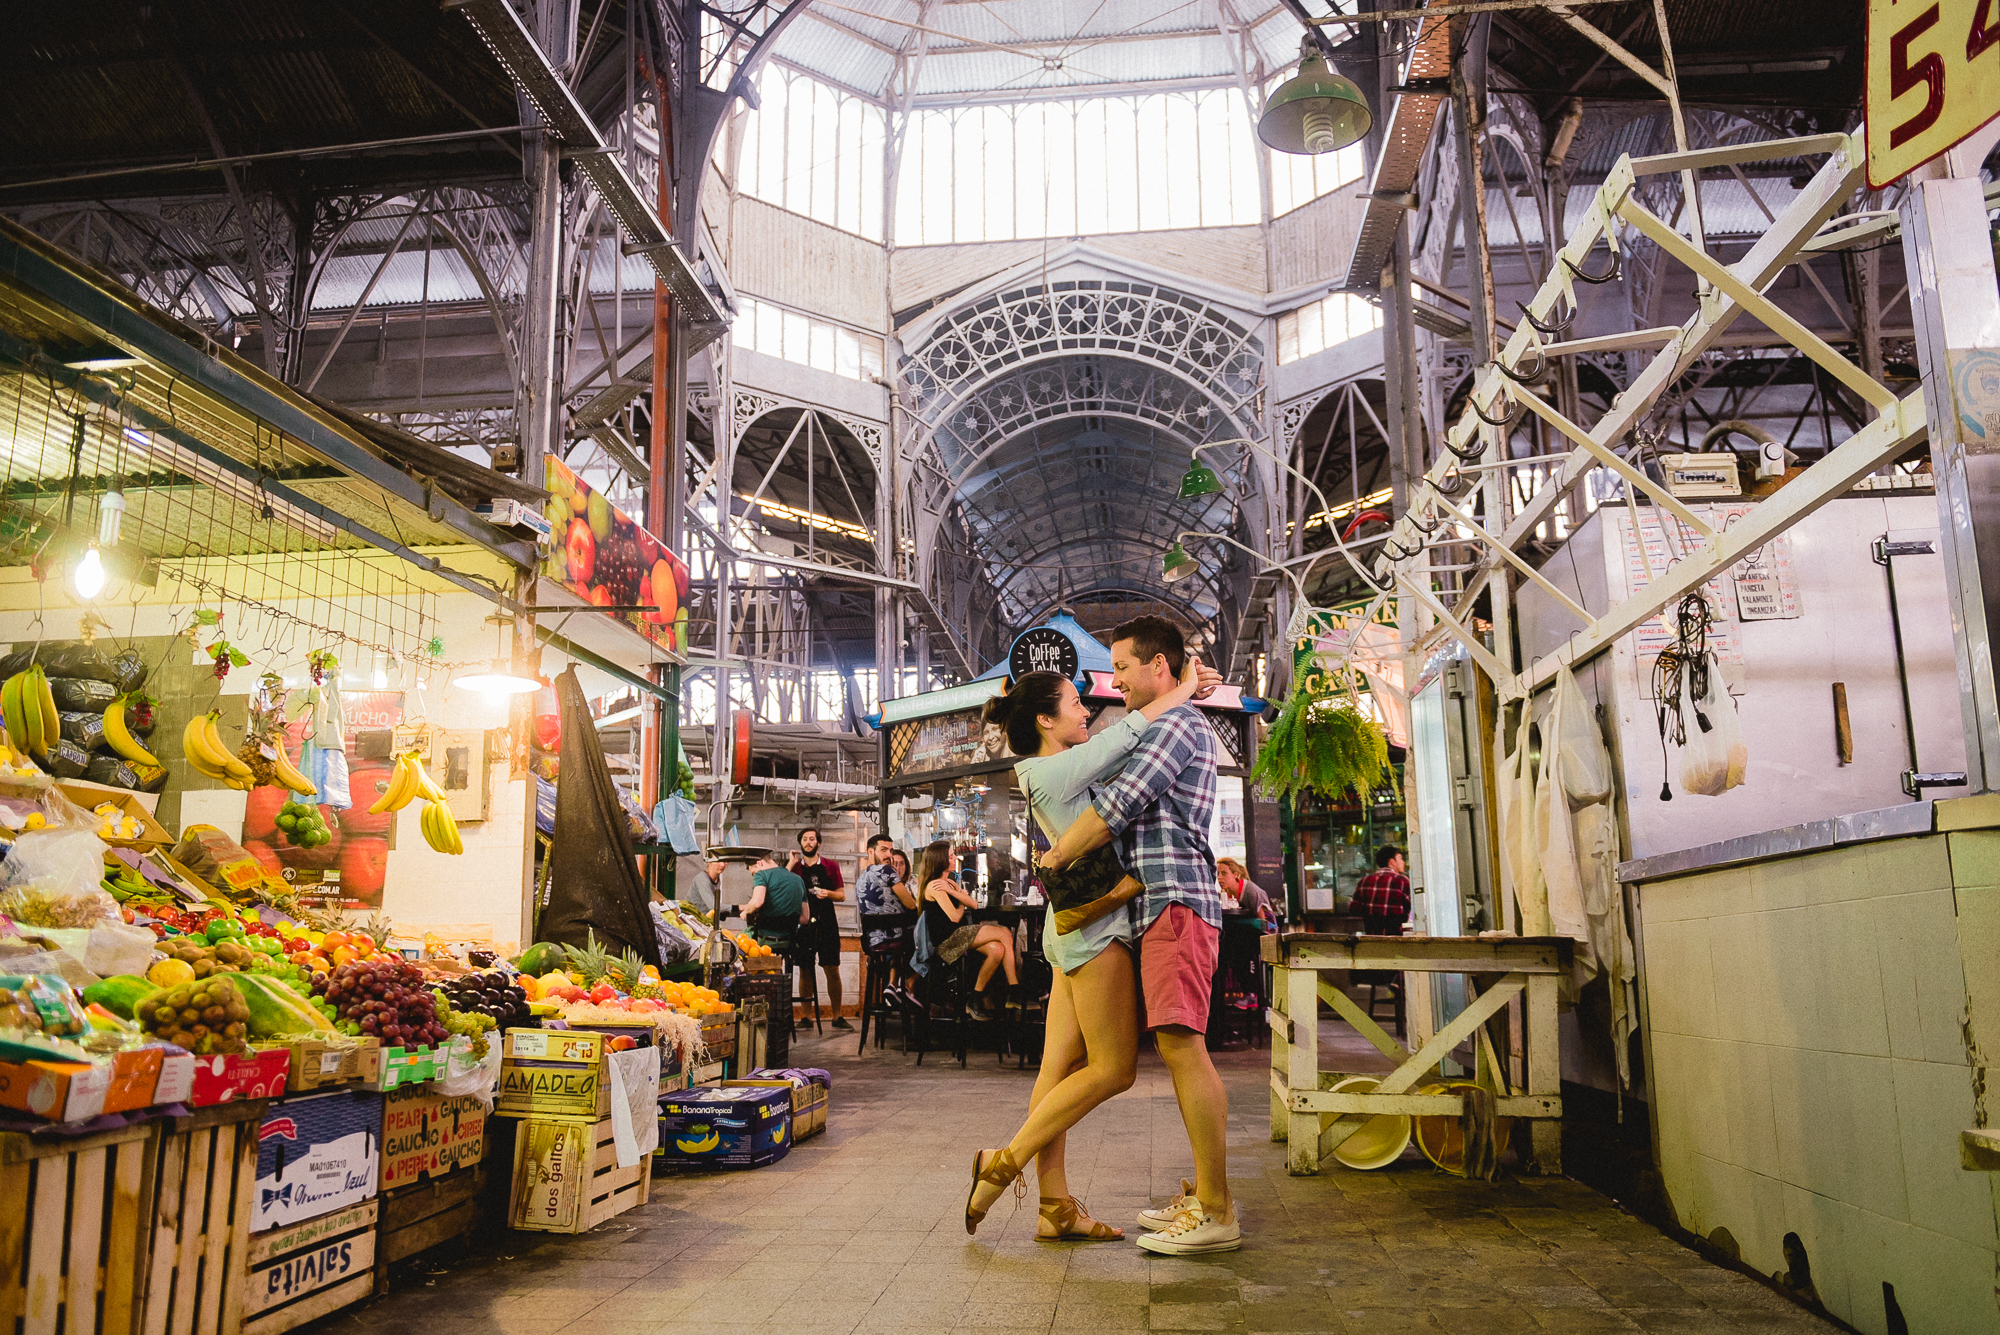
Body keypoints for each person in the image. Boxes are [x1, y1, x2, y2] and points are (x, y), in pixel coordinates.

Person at [961, 650, 1220, 1241]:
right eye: (1076, 704)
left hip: (1070, 929)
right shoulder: (1052, 770)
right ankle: (1003, 1161)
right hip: (1095, 932)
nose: (1088, 712)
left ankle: (1055, 1207)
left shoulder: (1059, 768)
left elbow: (1131, 741)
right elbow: (1127, 736)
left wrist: (1185, 688)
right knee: (1114, 1069)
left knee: (1058, 1068)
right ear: (1045, 720)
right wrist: (1183, 687)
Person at [1043, 615, 1240, 1255]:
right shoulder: (1169, 717)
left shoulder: (1177, 725)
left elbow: (1115, 805)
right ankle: (1206, 1194)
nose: (1116, 680)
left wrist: (1055, 856)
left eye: (1123, 667)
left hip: (1174, 900)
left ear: (1159, 666)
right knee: (1180, 1047)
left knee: (1184, 1047)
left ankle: (1216, 1210)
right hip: (1161, 905)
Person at [914, 840, 1017, 1015]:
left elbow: (974, 905)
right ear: (940, 860)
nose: (956, 858)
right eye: (951, 856)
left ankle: (975, 998)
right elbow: (955, 917)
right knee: (1005, 933)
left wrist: (954, 892)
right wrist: (961, 901)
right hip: (948, 941)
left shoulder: (949, 883)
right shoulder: (934, 885)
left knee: (997, 949)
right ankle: (1014, 990)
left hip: (959, 935)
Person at [789, 827, 850, 1030]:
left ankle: (837, 1016)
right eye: (805, 839)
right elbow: (782, 883)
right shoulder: (795, 867)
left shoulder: (831, 866)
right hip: (803, 923)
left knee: (832, 968)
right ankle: (806, 1017)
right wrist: (790, 863)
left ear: (819, 843)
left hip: (827, 922)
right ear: (800, 843)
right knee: (805, 969)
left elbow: (842, 895)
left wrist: (827, 893)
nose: (808, 842)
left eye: (812, 839)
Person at [740, 853, 807, 953]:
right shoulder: (799, 880)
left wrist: (746, 912)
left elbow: (757, 902)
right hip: (789, 942)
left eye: (753, 873)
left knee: (736, 939)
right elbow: (805, 918)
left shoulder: (761, 874)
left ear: (760, 863)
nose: (754, 876)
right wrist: (785, 921)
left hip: (765, 942)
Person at [1352, 845, 1411, 935]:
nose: (1404, 862)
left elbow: (1354, 909)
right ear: (1392, 862)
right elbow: (1409, 909)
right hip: (1396, 936)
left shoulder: (1364, 881)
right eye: (1401, 859)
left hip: (1371, 937)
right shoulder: (1402, 881)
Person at [1217, 858, 1276, 928]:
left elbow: (1262, 924)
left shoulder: (1251, 891)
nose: (1219, 877)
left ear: (1235, 874)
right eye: (1218, 873)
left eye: (1224, 873)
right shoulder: (1222, 894)